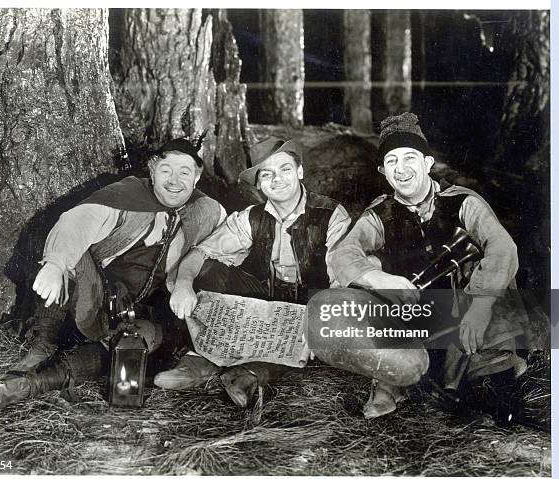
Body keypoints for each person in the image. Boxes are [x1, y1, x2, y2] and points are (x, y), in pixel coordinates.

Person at [0, 136, 226, 413]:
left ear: (196, 178)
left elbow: (229, 241)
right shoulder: (126, 195)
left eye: (184, 172)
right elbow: (77, 221)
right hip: (94, 292)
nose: (174, 181)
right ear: (152, 170)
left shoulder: (206, 210)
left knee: (133, 346)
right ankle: (42, 344)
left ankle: (30, 385)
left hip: (141, 311)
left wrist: (186, 284)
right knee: (73, 259)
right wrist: (55, 263)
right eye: (166, 171)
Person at [329, 112, 528, 425]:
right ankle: (398, 377)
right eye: (392, 161)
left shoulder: (463, 202)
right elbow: (342, 254)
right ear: (383, 171)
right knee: (363, 274)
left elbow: (504, 249)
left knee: (490, 387)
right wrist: (381, 278)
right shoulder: (381, 213)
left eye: (410, 157)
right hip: (418, 316)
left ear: (428, 163)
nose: (402, 168)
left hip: (470, 313)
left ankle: (482, 369)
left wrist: (481, 305)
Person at [153, 136, 353, 407]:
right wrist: (184, 284)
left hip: (312, 305)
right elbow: (201, 252)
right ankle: (202, 358)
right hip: (266, 302)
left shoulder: (330, 214)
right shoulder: (252, 216)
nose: (277, 179)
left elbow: (343, 277)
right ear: (259, 184)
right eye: (267, 174)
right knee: (207, 270)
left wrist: (321, 319)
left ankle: (249, 373)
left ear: (300, 172)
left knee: (313, 333)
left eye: (285, 169)